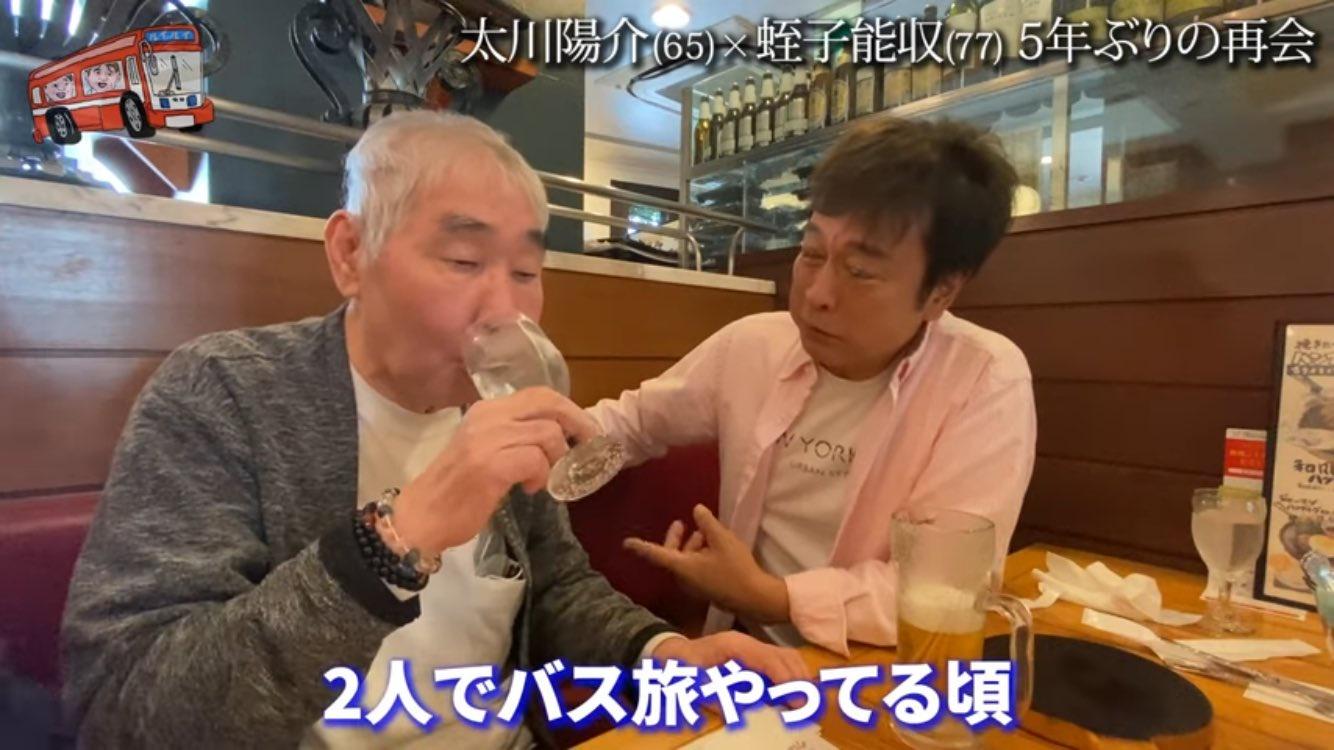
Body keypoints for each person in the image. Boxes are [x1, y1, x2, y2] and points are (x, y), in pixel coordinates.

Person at [60, 111, 807, 750]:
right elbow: (130, 711)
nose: (506, 310)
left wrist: (662, 652)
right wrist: (395, 541)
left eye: (525, 271)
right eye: (463, 259)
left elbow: (555, 590)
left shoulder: (500, 405)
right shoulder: (225, 393)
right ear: (351, 254)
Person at [589, 117, 1038, 656]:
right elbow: (629, 426)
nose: (817, 294)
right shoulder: (755, 345)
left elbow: (946, 587)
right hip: (742, 657)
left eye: (860, 271)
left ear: (941, 292)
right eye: (812, 253)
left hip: (878, 669)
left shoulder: (984, 377)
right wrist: (538, 442)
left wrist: (770, 597)